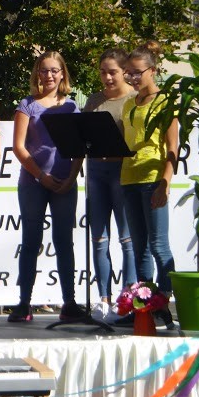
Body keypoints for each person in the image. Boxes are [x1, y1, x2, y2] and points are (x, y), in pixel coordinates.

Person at [9, 51, 86, 322]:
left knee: (64, 241)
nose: (49, 75)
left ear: (62, 73)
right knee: (31, 241)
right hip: (33, 182)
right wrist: (41, 176)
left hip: (65, 181)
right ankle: (24, 304)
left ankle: (69, 303)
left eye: (54, 70)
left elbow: (79, 147)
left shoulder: (72, 107)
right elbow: (19, 147)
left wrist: (71, 178)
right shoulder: (27, 105)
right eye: (44, 70)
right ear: (37, 73)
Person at [121, 41, 177, 328]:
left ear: (152, 71)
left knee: (158, 244)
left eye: (137, 73)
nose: (132, 78)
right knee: (140, 246)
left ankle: (164, 301)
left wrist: (164, 183)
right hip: (129, 178)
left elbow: (173, 147)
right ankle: (143, 306)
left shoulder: (164, 102)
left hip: (152, 179)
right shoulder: (129, 103)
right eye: (128, 73)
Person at [83, 49, 138, 321]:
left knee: (127, 238)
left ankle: (128, 298)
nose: (107, 78)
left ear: (124, 72)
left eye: (113, 72)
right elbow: (82, 134)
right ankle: (103, 299)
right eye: (103, 72)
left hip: (121, 172)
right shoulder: (94, 100)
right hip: (95, 171)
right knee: (99, 238)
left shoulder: (133, 99)